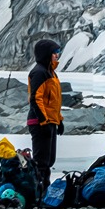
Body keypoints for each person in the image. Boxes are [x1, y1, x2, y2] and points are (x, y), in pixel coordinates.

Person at [27, 38, 64, 197]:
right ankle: (39, 195)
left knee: (49, 161)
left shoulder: (51, 72)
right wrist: (44, 121)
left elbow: (53, 102)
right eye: (55, 53)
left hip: (49, 122)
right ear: (46, 54)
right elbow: (36, 99)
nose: (57, 55)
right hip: (40, 122)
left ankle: (45, 193)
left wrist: (59, 120)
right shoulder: (39, 72)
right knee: (41, 162)